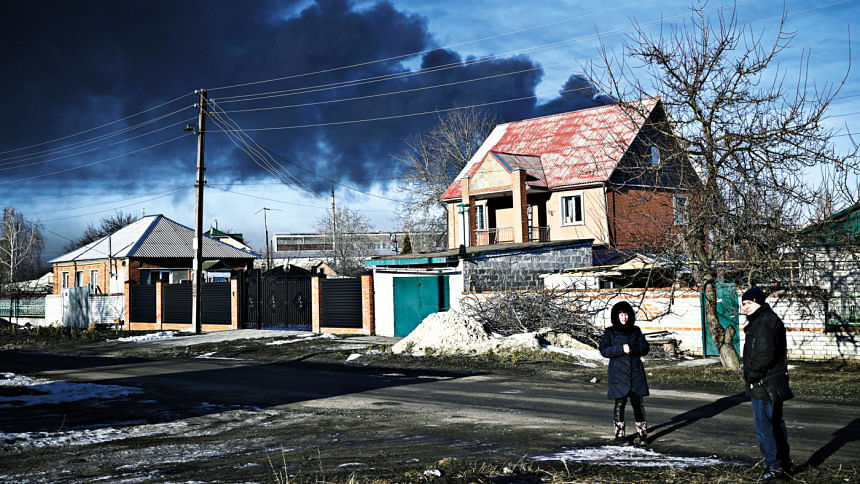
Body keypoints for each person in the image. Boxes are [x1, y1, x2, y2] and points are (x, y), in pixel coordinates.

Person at [742, 287, 792, 482]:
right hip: (771, 382)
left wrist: (751, 376)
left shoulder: (764, 323)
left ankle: (774, 467)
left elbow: (764, 355)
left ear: (759, 302)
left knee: (764, 428)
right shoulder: (765, 320)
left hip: (764, 383)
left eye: (749, 303)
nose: (746, 307)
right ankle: (784, 465)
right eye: (744, 303)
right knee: (775, 424)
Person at [600, 301, 650, 446]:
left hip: (635, 373)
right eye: (621, 314)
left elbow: (644, 347)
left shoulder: (635, 330)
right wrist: (621, 349)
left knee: (637, 404)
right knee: (620, 404)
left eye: (626, 314)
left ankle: (643, 435)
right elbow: (604, 350)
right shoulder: (610, 332)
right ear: (616, 316)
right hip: (618, 373)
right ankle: (619, 435)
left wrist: (633, 349)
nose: (624, 317)